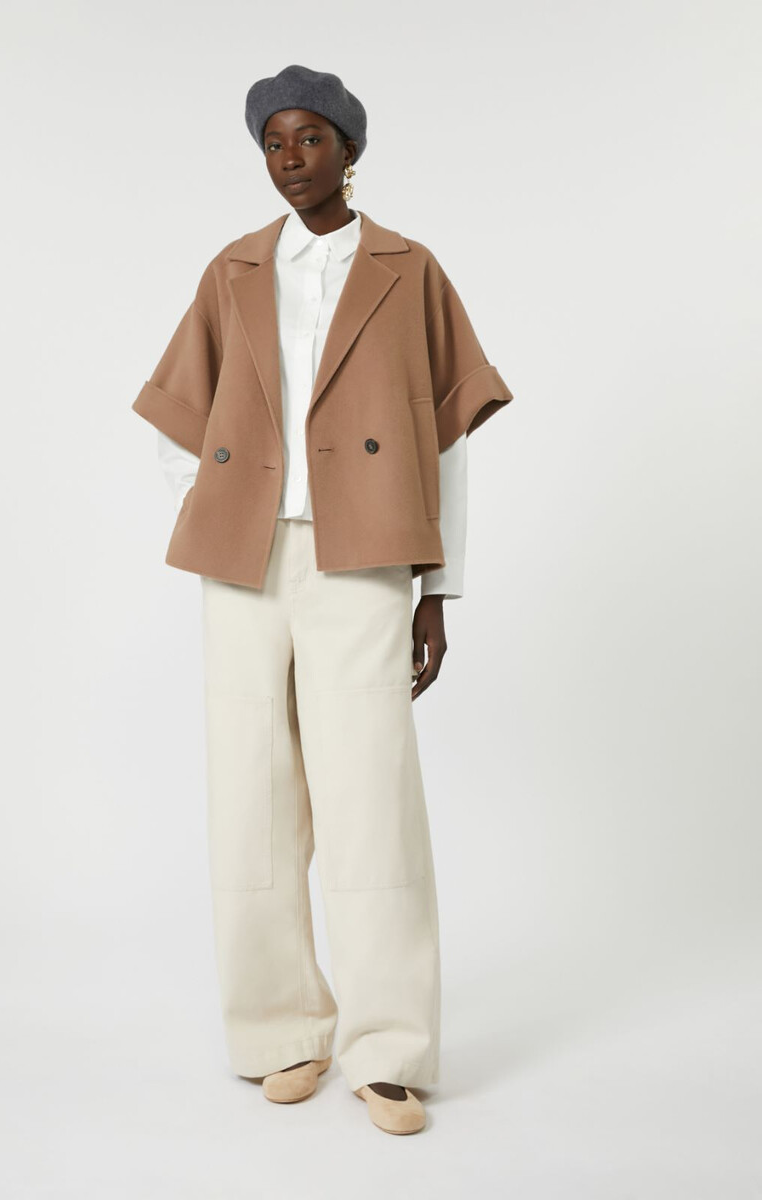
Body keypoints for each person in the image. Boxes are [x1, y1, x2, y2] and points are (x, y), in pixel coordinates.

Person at [131, 63, 514, 1136]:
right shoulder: (233, 269)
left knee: (370, 799)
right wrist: (218, 505)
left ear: (349, 148)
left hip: (366, 557)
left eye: (309, 139)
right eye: (273, 141)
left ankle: (388, 1051)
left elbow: (447, 446)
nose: (289, 158)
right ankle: (280, 1033)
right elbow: (180, 419)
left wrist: (437, 589)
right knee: (251, 799)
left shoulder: (408, 269)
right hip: (244, 563)